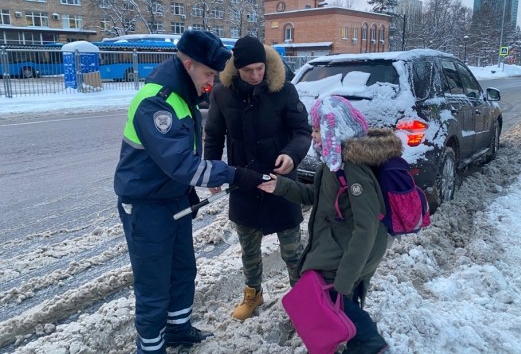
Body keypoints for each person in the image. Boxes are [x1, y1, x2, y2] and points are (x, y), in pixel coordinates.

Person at [114, 30, 266, 354]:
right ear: (188, 64)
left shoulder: (183, 96)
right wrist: (234, 174)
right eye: (208, 73)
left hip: (171, 198)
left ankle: (178, 329)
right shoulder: (157, 102)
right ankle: (151, 347)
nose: (211, 82)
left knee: (183, 269)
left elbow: (187, 159)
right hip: (145, 204)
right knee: (154, 281)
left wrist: (194, 185)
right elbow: (183, 164)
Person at [259, 95, 403, 354]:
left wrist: (346, 277)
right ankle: (359, 341)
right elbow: (317, 196)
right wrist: (280, 186)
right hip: (339, 242)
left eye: (317, 129)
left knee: (333, 293)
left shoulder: (353, 168)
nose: (313, 135)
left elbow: (366, 226)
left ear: (334, 130)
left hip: (355, 248)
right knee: (337, 295)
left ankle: (371, 342)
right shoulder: (333, 164)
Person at [203, 35, 312, 321]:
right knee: (249, 251)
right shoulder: (221, 94)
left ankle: (305, 300)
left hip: (282, 183)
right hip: (243, 183)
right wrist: (213, 169)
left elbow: (302, 132)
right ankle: (253, 295)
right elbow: (214, 134)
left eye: (259, 69)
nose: (255, 75)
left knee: (293, 251)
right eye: (247, 70)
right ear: (235, 69)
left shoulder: (284, 91)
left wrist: (291, 155)